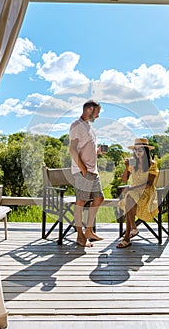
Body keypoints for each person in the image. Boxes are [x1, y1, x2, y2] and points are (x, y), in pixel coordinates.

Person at [69, 100, 104, 247]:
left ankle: (88, 230)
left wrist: (97, 151)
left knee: (99, 198)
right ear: (90, 109)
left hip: (93, 171)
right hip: (83, 171)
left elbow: (86, 147)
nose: (98, 115)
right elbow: (72, 149)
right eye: (97, 112)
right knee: (81, 202)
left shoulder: (88, 127)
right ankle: (79, 235)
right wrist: (83, 169)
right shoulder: (77, 126)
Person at [116, 138, 159, 248]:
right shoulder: (132, 163)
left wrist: (130, 189)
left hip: (147, 193)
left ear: (145, 151)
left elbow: (149, 184)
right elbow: (124, 180)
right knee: (129, 198)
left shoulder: (152, 164)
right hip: (133, 192)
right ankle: (132, 229)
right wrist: (126, 168)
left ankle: (128, 235)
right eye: (135, 150)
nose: (137, 152)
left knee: (129, 197)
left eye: (140, 150)